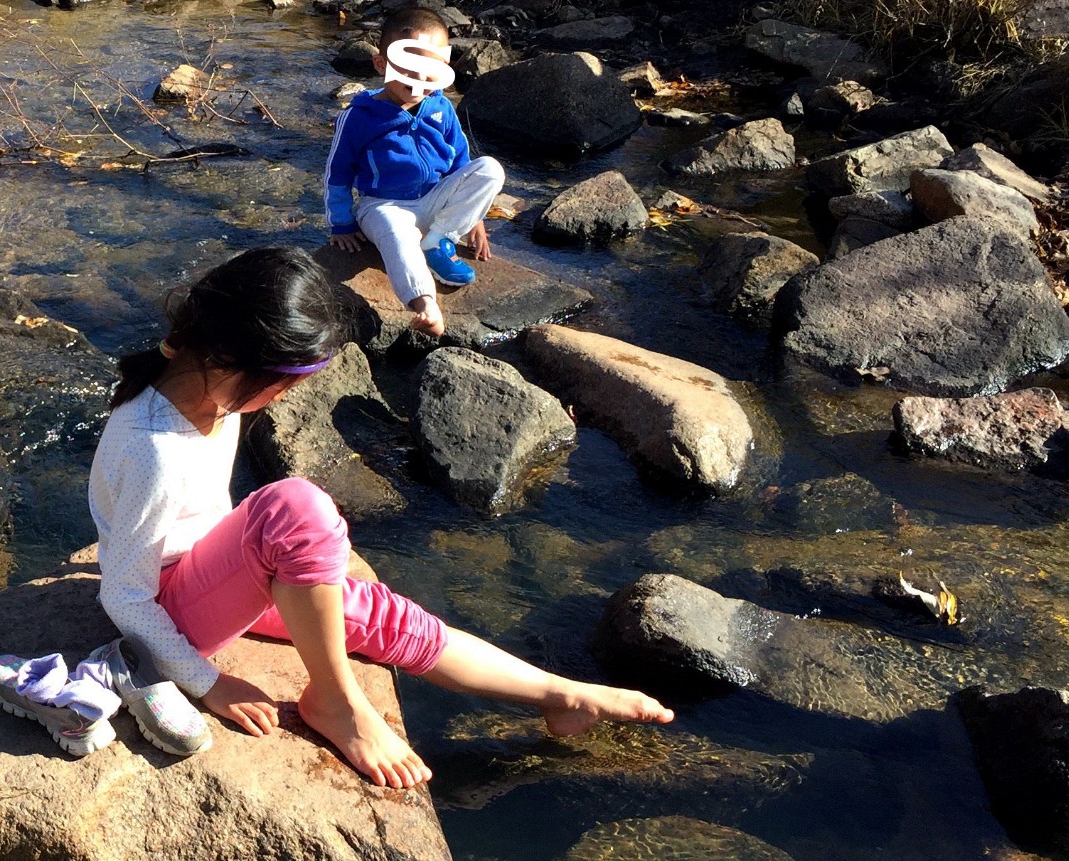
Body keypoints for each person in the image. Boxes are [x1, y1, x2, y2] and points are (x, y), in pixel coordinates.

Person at [90, 246, 672, 788]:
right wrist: (208, 683)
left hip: (203, 570)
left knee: (376, 612)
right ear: (230, 357)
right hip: (170, 608)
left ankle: (559, 695)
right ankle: (339, 704)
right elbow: (124, 595)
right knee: (295, 509)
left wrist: (292, 576)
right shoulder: (152, 450)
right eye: (287, 383)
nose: (288, 397)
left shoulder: (208, 393)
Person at [325, 5, 505, 339]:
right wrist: (341, 223)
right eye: (408, 69)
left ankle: (439, 240)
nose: (418, 82)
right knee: (398, 239)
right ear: (382, 64)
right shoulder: (361, 116)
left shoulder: (440, 107)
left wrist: (474, 219)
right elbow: (338, 173)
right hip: (384, 206)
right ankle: (424, 303)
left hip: (434, 201)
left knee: (491, 169)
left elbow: (460, 163)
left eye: (428, 72)